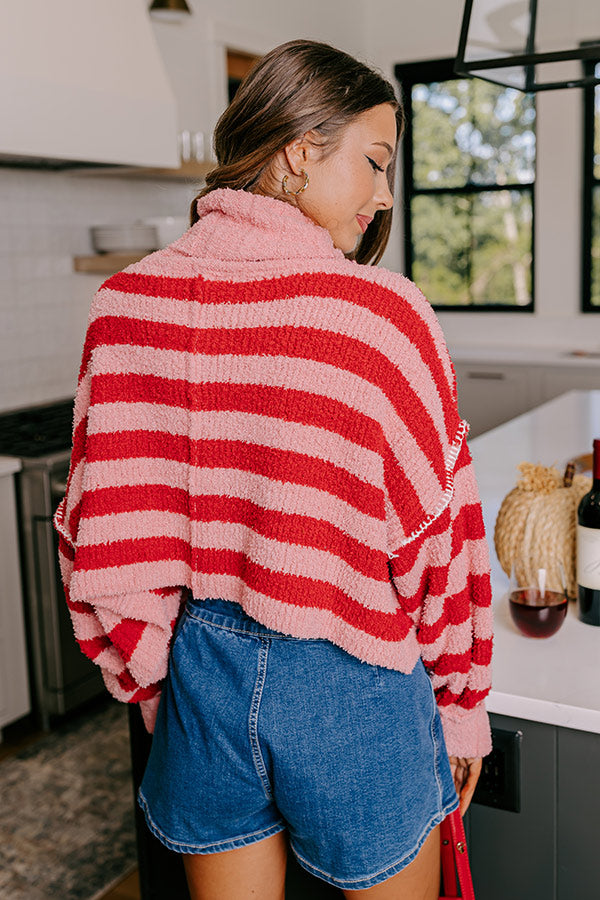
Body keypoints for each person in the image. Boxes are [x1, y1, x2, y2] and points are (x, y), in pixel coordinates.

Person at [54, 39, 493, 900]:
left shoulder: (126, 305)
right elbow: (442, 536)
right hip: (357, 680)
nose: (384, 194)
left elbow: (100, 537)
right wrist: (461, 705)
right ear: (299, 150)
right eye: (374, 162)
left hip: (200, 675)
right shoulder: (381, 315)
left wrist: (157, 686)